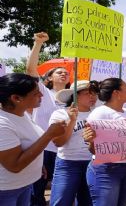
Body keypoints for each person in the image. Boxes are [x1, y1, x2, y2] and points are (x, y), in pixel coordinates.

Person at [0, 73, 65, 205]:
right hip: (6, 191)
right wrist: (49, 135)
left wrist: (37, 162)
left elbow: (28, 144)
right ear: (16, 98)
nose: (41, 95)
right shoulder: (3, 123)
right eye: (36, 93)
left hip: (24, 185)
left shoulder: (22, 114)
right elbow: (15, 165)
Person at [26, 32, 71, 206]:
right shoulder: (43, 93)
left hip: (64, 151)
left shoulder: (71, 99)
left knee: (60, 192)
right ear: (49, 78)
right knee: (37, 191)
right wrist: (38, 43)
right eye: (59, 72)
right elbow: (30, 70)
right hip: (42, 149)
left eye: (66, 73)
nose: (64, 74)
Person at [83, 78, 126, 206]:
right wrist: (90, 141)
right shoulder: (100, 113)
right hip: (107, 170)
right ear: (116, 93)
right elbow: (93, 149)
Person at [48, 80, 98, 206]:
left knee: (88, 202)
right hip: (68, 164)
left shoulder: (98, 113)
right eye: (87, 93)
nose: (92, 97)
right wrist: (71, 121)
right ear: (75, 96)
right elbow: (59, 142)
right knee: (60, 201)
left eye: (94, 93)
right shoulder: (60, 113)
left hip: (93, 164)